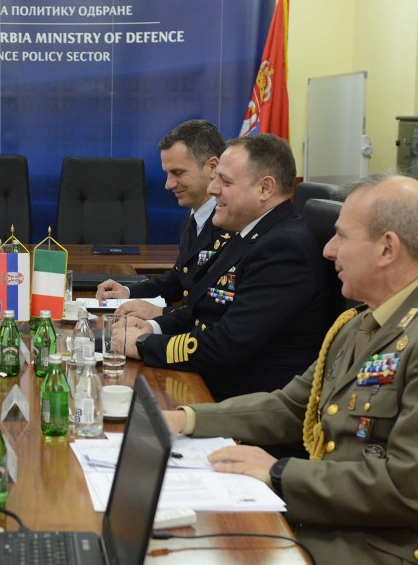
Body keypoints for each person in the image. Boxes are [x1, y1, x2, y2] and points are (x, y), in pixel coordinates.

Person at [164, 174, 418, 564]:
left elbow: (408, 488)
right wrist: (186, 419)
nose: (329, 250)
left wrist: (279, 472)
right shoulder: (362, 321)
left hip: (393, 548)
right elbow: (292, 407)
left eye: (342, 237)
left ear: (387, 249)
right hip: (338, 522)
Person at [122, 133, 341, 400]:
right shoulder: (249, 233)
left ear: (265, 188)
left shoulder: (283, 248)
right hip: (212, 381)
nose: (212, 189)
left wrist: (144, 345)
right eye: (215, 178)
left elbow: (227, 344)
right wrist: (152, 328)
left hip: (244, 400)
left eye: (225, 182)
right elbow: (200, 309)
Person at [96, 119, 230, 319]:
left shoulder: (232, 223)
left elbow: (218, 312)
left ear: (212, 167)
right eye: (167, 174)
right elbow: (179, 279)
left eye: (178, 173)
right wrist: (128, 292)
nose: (168, 184)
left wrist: (161, 313)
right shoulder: (195, 215)